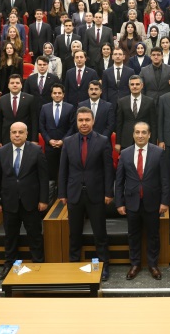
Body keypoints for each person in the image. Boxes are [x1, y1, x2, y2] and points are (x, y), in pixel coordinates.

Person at [58, 107, 114, 281]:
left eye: (87, 120)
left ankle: (104, 266)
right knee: (74, 233)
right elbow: (63, 170)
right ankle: (74, 264)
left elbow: (108, 169)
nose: (84, 123)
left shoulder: (103, 141)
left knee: (100, 233)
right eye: (81, 120)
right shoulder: (68, 142)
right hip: (74, 194)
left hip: (96, 194)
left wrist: (108, 192)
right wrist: (62, 193)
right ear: (76, 122)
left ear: (93, 121)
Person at [0, 121, 48, 279]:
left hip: (31, 202)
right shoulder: (2, 152)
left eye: (20, 132)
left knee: (35, 236)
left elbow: (43, 178)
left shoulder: (36, 150)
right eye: (14, 132)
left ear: (26, 134)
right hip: (9, 202)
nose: (17, 135)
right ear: (10, 134)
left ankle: (38, 265)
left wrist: (43, 200)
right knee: (10, 236)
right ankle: (9, 265)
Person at [115, 121, 169, 280]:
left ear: (149, 135)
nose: (140, 135)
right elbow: (119, 181)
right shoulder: (125, 153)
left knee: (153, 235)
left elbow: (165, 179)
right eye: (137, 132)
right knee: (133, 235)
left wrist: (165, 201)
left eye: (144, 132)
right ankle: (135, 264)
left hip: (153, 202)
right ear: (133, 134)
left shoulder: (158, 152)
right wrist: (119, 203)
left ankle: (153, 265)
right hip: (131, 203)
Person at [39, 84, 74, 182]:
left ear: (63, 94)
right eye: (55, 93)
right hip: (50, 146)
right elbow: (41, 126)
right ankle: (52, 191)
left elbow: (72, 127)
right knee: (51, 172)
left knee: (64, 171)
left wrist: (63, 141)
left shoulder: (70, 107)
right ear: (51, 94)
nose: (57, 95)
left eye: (59, 93)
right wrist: (49, 140)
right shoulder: (44, 108)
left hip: (65, 145)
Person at [0, 74, 38, 147]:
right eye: (12, 83)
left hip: (26, 138)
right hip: (6, 138)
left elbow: (34, 120)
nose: (15, 85)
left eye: (17, 83)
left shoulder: (30, 99)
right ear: (8, 85)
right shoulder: (2, 100)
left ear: (21, 85)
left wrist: (34, 140)